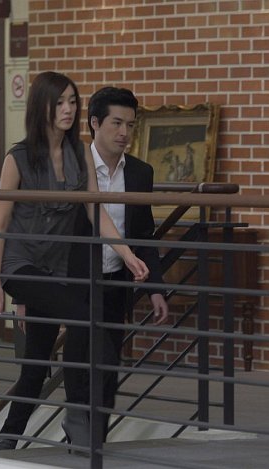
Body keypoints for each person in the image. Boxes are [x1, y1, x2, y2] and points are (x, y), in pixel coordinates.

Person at [0, 72, 149, 451]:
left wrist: (126, 253)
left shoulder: (80, 154)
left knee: (35, 366)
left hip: (57, 270)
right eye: (59, 102)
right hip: (20, 265)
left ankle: (6, 440)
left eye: (73, 101)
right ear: (41, 106)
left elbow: (95, 210)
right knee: (85, 317)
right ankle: (77, 413)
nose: (68, 109)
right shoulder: (18, 158)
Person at [61, 86, 170, 446]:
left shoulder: (140, 173)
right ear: (95, 123)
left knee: (109, 367)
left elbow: (144, 234)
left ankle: (94, 440)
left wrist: (155, 288)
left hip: (116, 283)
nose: (125, 132)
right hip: (76, 282)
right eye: (117, 123)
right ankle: (81, 431)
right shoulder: (72, 167)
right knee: (85, 359)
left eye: (131, 125)